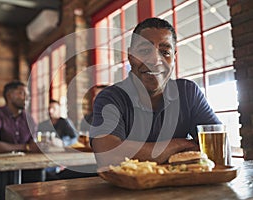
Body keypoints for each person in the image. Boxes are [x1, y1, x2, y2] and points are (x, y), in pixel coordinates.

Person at [90, 17, 223, 168]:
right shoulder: (111, 98)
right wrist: (181, 144)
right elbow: (108, 155)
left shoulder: (188, 93)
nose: (155, 60)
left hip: (183, 187)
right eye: (145, 51)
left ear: (174, 58)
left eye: (165, 52)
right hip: (127, 190)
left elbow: (216, 148)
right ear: (130, 56)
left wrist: (131, 151)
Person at [0, 80, 42, 191]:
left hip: (26, 169)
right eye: (22, 93)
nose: (27, 97)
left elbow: (34, 143)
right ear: (9, 95)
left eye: (28, 94)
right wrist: (25, 147)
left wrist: (42, 145)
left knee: (49, 181)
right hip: (1, 171)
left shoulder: (29, 119)